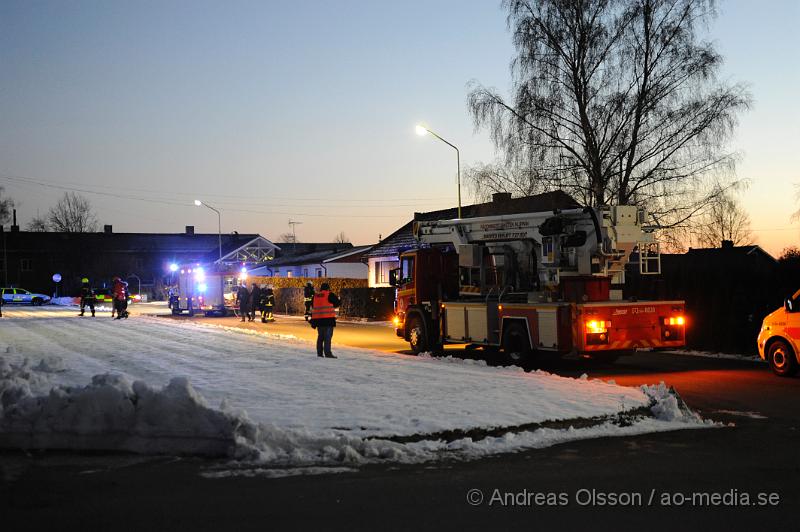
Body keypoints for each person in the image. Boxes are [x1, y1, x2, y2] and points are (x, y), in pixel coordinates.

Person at [309, 282, 341, 358]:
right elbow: (337, 303)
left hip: (318, 320)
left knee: (320, 337)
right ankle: (328, 353)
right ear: (328, 288)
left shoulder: (315, 296)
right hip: (328, 319)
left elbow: (312, 305)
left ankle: (319, 353)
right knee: (327, 337)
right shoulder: (329, 294)